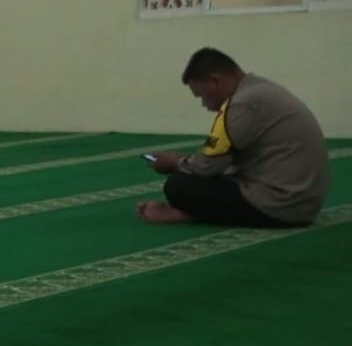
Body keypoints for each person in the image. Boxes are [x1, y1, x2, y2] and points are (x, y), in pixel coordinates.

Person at [138, 48, 330, 228]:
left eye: (202, 96)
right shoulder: (259, 89)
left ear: (214, 81)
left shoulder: (242, 104)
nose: (205, 105)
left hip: (279, 206)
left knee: (178, 185)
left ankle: (191, 215)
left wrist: (173, 162)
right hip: (304, 205)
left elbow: (206, 168)